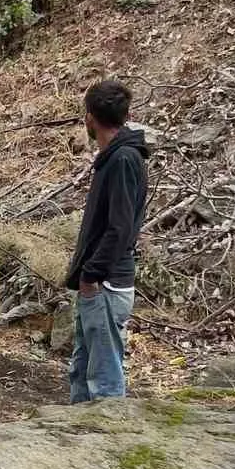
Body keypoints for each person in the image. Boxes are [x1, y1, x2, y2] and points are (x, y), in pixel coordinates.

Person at [65, 79, 150, 402]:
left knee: (104, 380)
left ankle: (111, 444)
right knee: (83, 369)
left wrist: (92, 275)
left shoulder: (124, 159)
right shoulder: (112, 158)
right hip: (98, 284)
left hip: (107, 285)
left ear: (89, 117)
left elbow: (121, 227)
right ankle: (77, 440)